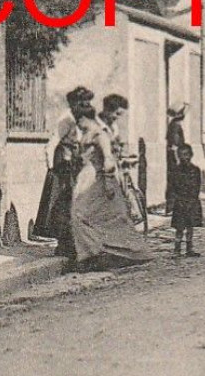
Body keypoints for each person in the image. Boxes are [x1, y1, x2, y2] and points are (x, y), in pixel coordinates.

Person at [68, 93, 154, 267]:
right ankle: (93, 253)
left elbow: (108, 159)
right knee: (90, 216)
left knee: (81, 214)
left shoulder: (99, 133)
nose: (78, 125)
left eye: (80, 121)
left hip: (96, 180)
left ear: (85, 118)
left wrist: (108, 182)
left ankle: (97, 253)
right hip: (87, 177)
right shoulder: (90, 132)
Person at [36, 87, 91, 256]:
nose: (85, 107)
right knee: (63, 205)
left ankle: (70, 244)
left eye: (87, 104)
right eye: (82, 104)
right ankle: (63, 244)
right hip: (62, 166)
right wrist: (51, 169)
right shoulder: (65, 120)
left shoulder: (76, 120)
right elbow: (52, 144)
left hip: (72, 164)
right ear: (74, 103)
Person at [169, 143, 205, 259]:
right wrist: (174, 200)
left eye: (187, 155)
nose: (184, 158)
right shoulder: (175, 170)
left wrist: (193, 200)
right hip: (180, 202)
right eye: (181, 155)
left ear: (191, 155)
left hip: (192, 201)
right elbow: (173, 186)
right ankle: (177, 249)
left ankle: (190, 248)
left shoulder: (195, 170)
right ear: (178, 156)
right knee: (179, 228)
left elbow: (197, 186)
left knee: (190, 226)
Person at [164, 104, 189, 216]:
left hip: (173, 156)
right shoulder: (175, 126)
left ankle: (172, 207)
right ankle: (171, 207)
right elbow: (174, 145)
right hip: (174, 157)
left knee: (174, 181)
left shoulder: (174, 125)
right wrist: (178, 159)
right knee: (175, 181)